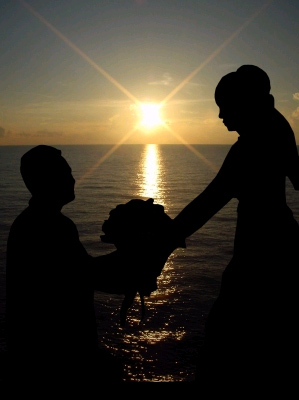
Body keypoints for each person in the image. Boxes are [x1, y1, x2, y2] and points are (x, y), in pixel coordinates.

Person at [171, 65, 299, 385]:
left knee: (226, 342)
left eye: (223, 106)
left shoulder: (251, 146)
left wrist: (162, 238)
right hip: (281, 244)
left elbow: (208, 202)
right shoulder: (277, 127)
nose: (219, 116)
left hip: (261, 257)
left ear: (244, 102)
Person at [5, 145, 126, 389]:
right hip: (54, 362)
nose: (72, 179)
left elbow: (81, 272)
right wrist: (132, 249)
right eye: (65, 173)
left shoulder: (34, 221)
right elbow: (90, 276)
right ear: (46, 179)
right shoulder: (50, 226)